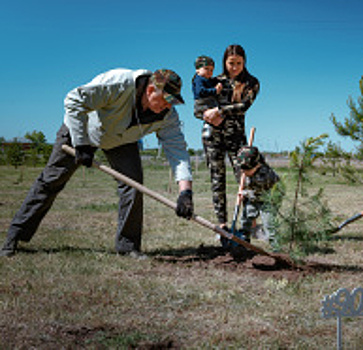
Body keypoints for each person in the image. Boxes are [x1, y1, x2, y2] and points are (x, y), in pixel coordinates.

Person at [0, 68, 194, 258]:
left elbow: (178, 151)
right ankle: (14, 237)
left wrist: (185, 192)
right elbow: (74, 99)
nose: (169, 106)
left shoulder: (168, 116)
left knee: (133, 184)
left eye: (173, 102)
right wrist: (82, 143)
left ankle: (128, 247)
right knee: (51, 181)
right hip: (81, 129)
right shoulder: (118, 83)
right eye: (166, 100)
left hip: (121, 140)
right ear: (150, 90)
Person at [195, 44, 260, 231]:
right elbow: (198, 108)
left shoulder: (251, 83)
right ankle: (222, 225)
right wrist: (206, 114)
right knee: (217, 178)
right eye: (231, 63)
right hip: (212, 136)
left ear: (244, 62)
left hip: (236, 138)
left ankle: (249, 225)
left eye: (239, 63)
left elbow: (243, 106)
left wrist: (219, 111)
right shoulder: (213, 81)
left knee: (245, 179)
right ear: (225, 62)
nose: (235, 67)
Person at [236, 146, 281, 245]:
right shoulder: (250, 169)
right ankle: (244, 238)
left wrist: (244, 192)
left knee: (268, 223)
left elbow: (257, 192)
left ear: (257, 165)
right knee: (246, 216)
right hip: (255, 197)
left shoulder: (264, 176)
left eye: (246, 169)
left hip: (270, 199)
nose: (243, 171)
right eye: (241, 168)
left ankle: (275, 246)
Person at [192, 55, 223, 141]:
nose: (209, 72)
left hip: (209, 103)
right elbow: (200, 92)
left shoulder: (208, 80)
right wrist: (215, 91)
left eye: (211, 70)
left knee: (218, 118)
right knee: (212, 117)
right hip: (202, 104)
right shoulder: (199, 79)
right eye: (206, 69)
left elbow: (215, 80)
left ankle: (214, 133)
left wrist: (219, 82)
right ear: (197, 70)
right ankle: (208, 131)